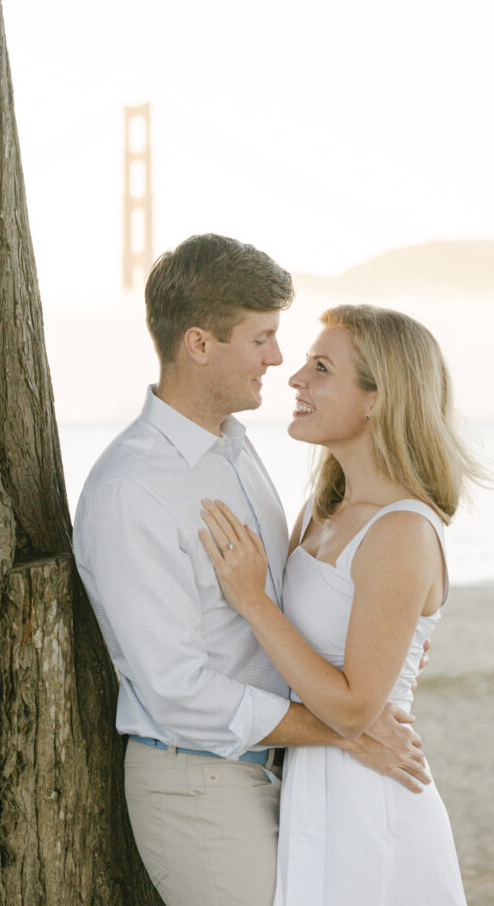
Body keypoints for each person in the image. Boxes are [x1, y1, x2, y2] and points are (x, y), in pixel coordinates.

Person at [73, 236, 430, 906]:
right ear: (200, 345)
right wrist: (346, 728)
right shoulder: (133, 490)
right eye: (263, 337)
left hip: (276, 777)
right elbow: (176, 689)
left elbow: (282, 602)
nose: (277, 359)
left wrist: (386, 647)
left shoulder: (234, 450)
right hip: (199, 787)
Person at [200, 303, 480, 905]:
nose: (296, 378)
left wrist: (252, 600)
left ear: (379, 398)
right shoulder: (322, 511)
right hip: (311, 780)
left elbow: (354, 710)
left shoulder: (401, 531)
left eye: (321, 367)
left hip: (370, 795)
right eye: (305, 363)